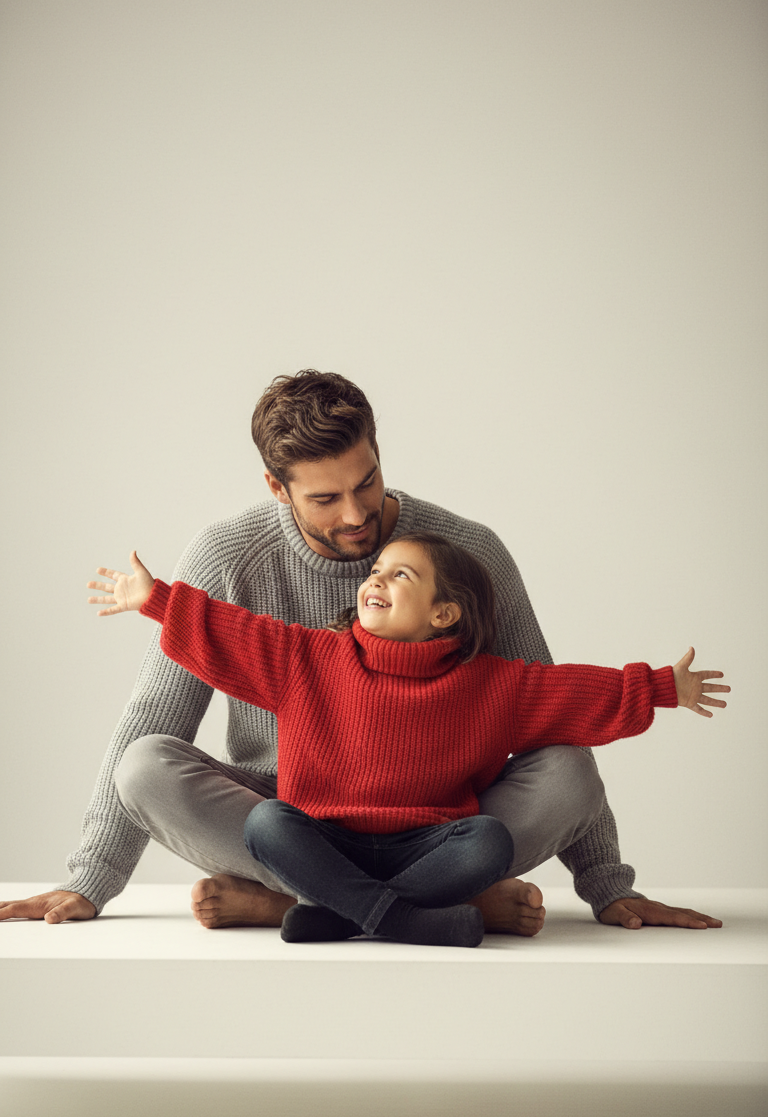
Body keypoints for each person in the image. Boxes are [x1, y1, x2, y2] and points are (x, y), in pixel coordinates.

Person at [0, 370, 724, 934]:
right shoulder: (228, 556)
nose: (356, 516)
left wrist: (609, 889)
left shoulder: (466, 555)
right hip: (288, 819)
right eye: (324, 499)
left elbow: (555, 709)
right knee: (145, 765)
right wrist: (90, 877)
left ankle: (298, 908)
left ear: (379, 453)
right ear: (276, 488)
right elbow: (155, 709)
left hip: (440, 823)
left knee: (567, 769)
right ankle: (421, 909)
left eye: (367, 482)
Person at [81, 530, 728, 947]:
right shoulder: (307, 657)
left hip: (430, 843)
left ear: (444, 614)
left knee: (490, 837)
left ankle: (335, 911)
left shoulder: (491, 684)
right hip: (320, 835)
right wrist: (157, 599)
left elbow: (582, 695)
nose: (376, 579)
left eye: (401, 577)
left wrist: (662, 686)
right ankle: (403, 919)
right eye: (379, 570)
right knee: (269, 824)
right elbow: (230, 632)